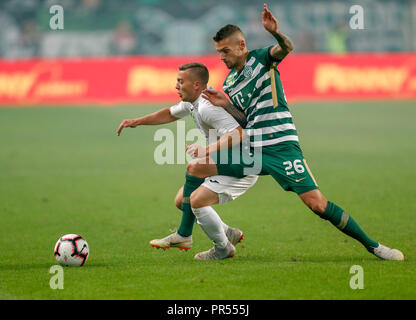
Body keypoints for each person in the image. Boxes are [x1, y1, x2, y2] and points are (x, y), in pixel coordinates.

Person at [182, 4, 404, 261]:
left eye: (225, 51)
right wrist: (226, 104)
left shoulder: (262, 58)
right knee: (196, 168)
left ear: (241, 45)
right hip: (252, 149)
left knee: (317, 204)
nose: (221, 56)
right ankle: (209, 238)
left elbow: (286, 48)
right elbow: (245, 119)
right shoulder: (230, 81)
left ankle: (374, 246)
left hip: (281, 147)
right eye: (219, 51)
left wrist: (276, 33)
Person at [116, 62, 258, 258]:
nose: (176, 86)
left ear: (197, 85)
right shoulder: (194, 101)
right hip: (224, 161)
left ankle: (219, 247)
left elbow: (239, 133)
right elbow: (169, 113)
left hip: (243, 164)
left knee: (195, 189)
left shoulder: (208, 107)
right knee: (181, 201)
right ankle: (227, 232)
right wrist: (137, 122)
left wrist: (206, 150)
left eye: (181, 81)